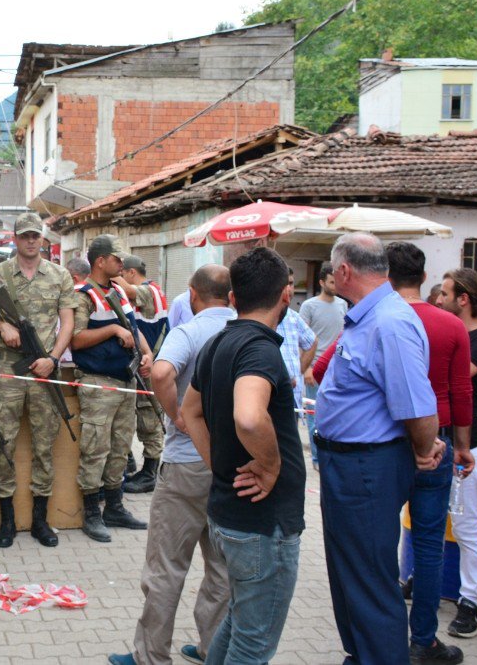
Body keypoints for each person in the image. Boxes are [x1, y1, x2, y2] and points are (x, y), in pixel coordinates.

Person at [315, 233, 443, 665]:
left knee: (370, 580)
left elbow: (416, 404)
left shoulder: (389, 321)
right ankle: (362, 654)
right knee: (350, 574)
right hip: (348, 465)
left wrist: (425, 449)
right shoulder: (366, 317)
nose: (331, 276)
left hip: (367, 467)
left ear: (345, 271)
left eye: (333, 270)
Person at [179, 248, 305, 665]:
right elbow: (249, 418)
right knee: (253, 643)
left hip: (232, 514)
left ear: (233, 298)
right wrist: (269, 466)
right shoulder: (258, 349)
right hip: (261, 523)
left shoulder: (219, 342)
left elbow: (189, 412)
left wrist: (218, 462)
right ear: (286, 295)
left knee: (239, 622)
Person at [109, 264, 235, 665]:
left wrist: (177, 415)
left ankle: (151, 655)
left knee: (166, 567)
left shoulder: (191, 331)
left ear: (194, 296)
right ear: (231, 296)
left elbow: (162, 371)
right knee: (221, 567)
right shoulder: (245, 331)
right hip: (231, 465)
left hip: (185, 463)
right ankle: (211, 648)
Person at [386, 243, 472, 664]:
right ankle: (423, 640)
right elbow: (460, 390)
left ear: (386, 275)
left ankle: (380, 637)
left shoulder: (375, 319)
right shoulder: (450, 325)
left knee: (381, 541)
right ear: (424, 279)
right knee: (429, 543)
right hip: (436, 441)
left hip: (384, 440)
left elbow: (326, 370)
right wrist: (461, 445)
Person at [0, 212, 79, 548]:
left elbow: (67, 322)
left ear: (43, 239)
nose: (30, 241)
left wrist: (52, 358)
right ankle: (7, 520)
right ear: (14, 238)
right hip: (8, 368)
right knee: (3, 442)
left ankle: (40, 519)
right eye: (24, 236)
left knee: (44, 446)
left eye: (35, 236)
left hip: (43, 370)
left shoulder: (59, 275)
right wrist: (1, 326)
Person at [71, 235, 152, 543]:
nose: (122, 264)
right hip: (98, 380)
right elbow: (76, 338)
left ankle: (115, 507)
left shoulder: (118, 290)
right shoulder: (83, 294)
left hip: (126, 379)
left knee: (120, 447)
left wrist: (148, 355)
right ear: (100, 261)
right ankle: (91, 512)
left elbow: (134, 328)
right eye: (117, 259)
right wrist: (112, 329)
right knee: (95, 448)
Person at [437, 267, 477, 639]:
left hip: (469, 445)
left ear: (464, 299)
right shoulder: (456, 332)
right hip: (441, 441)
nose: (437, 300)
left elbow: (448, 379)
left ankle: (471, 602)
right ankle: (422, 579)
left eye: (444, 294)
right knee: (434, 517)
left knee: (467, 524)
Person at [118, 255, 168, 494]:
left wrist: (110, 274)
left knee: (149, 417)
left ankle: (150, 471)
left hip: (151, 363)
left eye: (122, 272)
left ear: (129, 272)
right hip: (145, 362)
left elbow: (128, 291)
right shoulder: (151, 290)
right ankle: (138, 466)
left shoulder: (150, 290)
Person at [299, 261, 348, 468]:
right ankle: (317, 458)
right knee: (315, 417)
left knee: (336, 414)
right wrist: (307, 367)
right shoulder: (309, 306)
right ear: (322, 282)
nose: (335, 285)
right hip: (316, 368)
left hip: (336, 368)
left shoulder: (343, 305)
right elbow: (303, 339)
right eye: (330, 281)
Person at [276, 269, 317, 421]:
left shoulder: (293, 317)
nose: (289, 289)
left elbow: (312, 341)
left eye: (291, 284)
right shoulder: (254, 316)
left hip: (292, 399)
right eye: (285, 284)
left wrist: (299, 371)